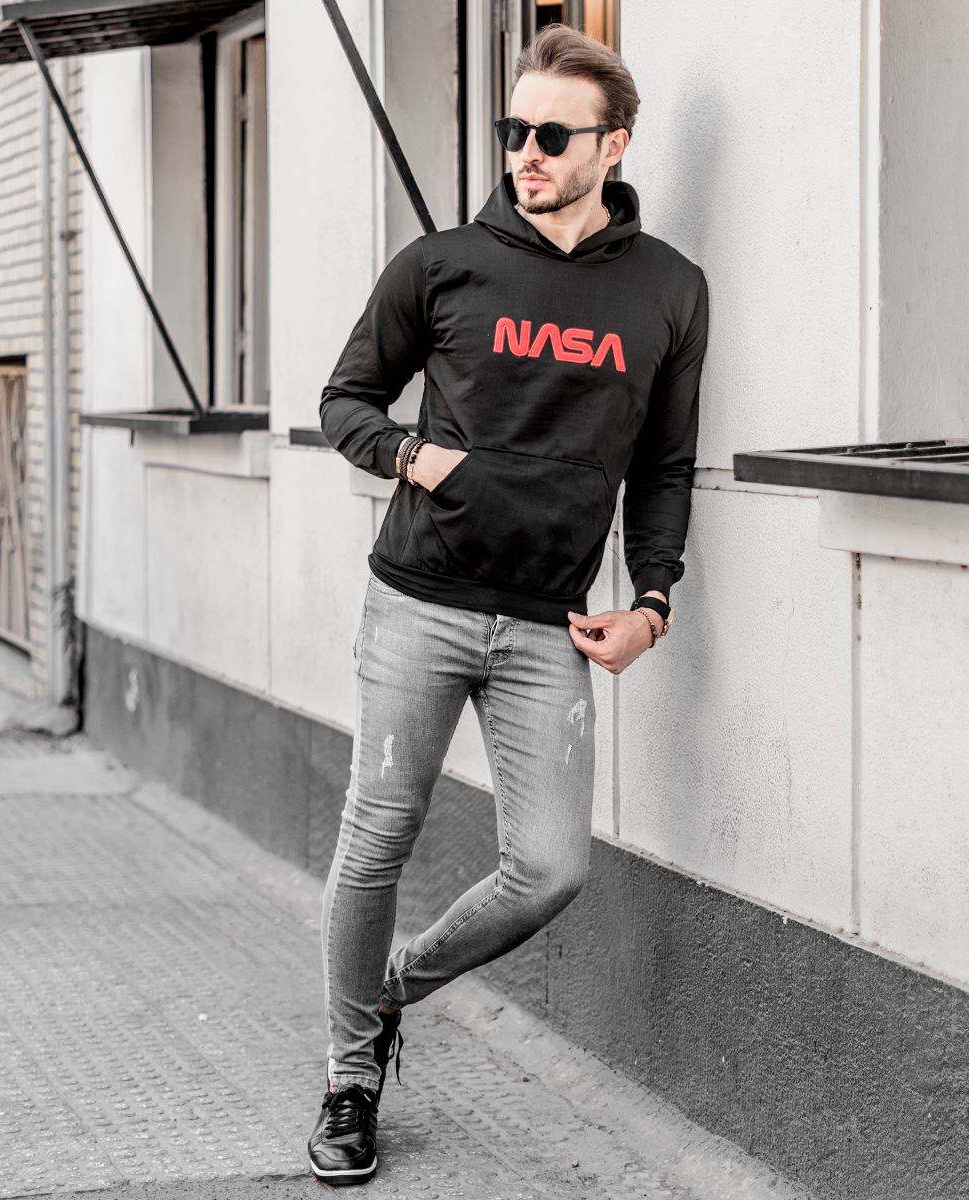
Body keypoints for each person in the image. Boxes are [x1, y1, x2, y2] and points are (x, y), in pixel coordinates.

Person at [309, 22, 708, 1185]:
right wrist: (412, 457)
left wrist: (652, 603)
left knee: (550, 869)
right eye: (512, 129)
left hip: (549, 625)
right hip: (418, 604)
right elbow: (345, 400)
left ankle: (389, 991)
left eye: (551, 135)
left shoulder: (669, 289)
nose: (524, 152)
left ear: (612, 146)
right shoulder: (440, 265)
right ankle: (348, 1079)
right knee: (374, 844)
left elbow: (666, 467)